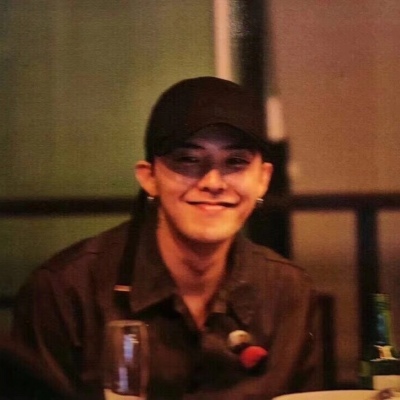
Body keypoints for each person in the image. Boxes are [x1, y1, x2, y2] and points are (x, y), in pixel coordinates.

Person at [12, 77, 320, 400]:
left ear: (263, 179)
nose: (213, 182)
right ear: (149, 177)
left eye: (236, 162)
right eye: (188, 160)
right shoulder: (66, 292)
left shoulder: (288, 292)